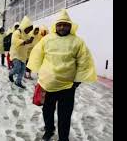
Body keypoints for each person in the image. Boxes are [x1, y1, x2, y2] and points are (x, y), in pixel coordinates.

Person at [27, 9, 97, 141]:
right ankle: (49, 130)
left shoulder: (78, 42)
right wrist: (38, 73)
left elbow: (84, 61)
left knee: (65, 115)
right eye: (60, 24)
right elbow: (37, 56)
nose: (62, 27)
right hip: (48, 85)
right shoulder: (46, 40)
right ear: (56, 26)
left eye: (65, 24)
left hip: (68, 86)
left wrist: (77, 81)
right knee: (47, 111)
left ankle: (63, 137)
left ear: (70, 26)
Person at [9, 16, 34, 89]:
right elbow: (14, 41)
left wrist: (30, 41)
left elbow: (29, 45)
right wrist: (24, 42)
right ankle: (11, 73)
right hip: (16, 54)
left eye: (30, 30)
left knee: (22, 70)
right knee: (17, 67)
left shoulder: (28, 35)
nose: (29, 31)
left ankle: (18, 82)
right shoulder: (17, 32)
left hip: (23, 55)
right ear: (24, 26)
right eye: (28, 28)